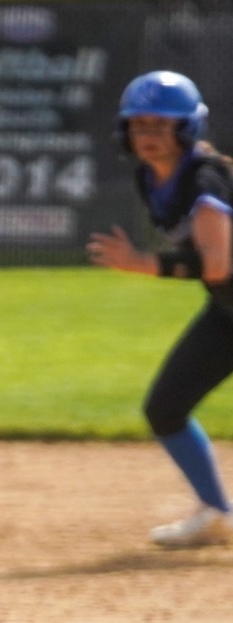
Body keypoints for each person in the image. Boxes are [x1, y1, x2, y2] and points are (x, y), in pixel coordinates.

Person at [88, 70, 233, 548]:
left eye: (161, 124)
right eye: (139, 124)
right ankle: (217, 513)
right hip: (227, 312)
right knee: (166, 409)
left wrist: (142, 264)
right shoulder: (148, 177)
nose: (148, 135)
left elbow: (216, 265)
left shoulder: (206, 179)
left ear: (187, 129)